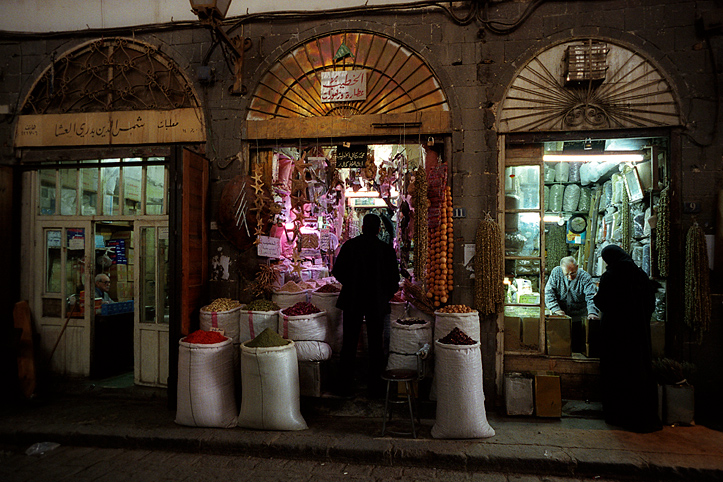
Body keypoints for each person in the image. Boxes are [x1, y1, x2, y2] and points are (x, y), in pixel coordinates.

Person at [594, 244, 662, 433]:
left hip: (615, 334)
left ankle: (618, 415)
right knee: (638, 369)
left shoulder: (610, 276)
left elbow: (602, 302)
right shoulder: (639, 274)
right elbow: (650, 304)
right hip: (637, 333)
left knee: (617, 371)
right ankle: (641, 416)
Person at [332, 213, 400, 398]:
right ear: (379, 229)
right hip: (376, 301)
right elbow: (394, 280)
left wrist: (352, 284)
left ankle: (344, 387)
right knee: (376, 344)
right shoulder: (385, 250)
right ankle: (375, 388)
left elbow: (337, 272)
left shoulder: (350, 246)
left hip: (353, 299)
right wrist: (383, 293)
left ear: (362, 228)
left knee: (349, 343)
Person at [545, 256, 599, 352]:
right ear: (561, 269)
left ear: (577, 267)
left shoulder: (585, 277)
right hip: (561, 317)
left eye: (573, 273)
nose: (570, 277)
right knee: (559, 347)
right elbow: (549, 293)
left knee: (577, 347)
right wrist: (555, 309)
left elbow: (591, 297)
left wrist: (592, 312)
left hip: (579, 317)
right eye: (566, 274)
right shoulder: (556, 272)